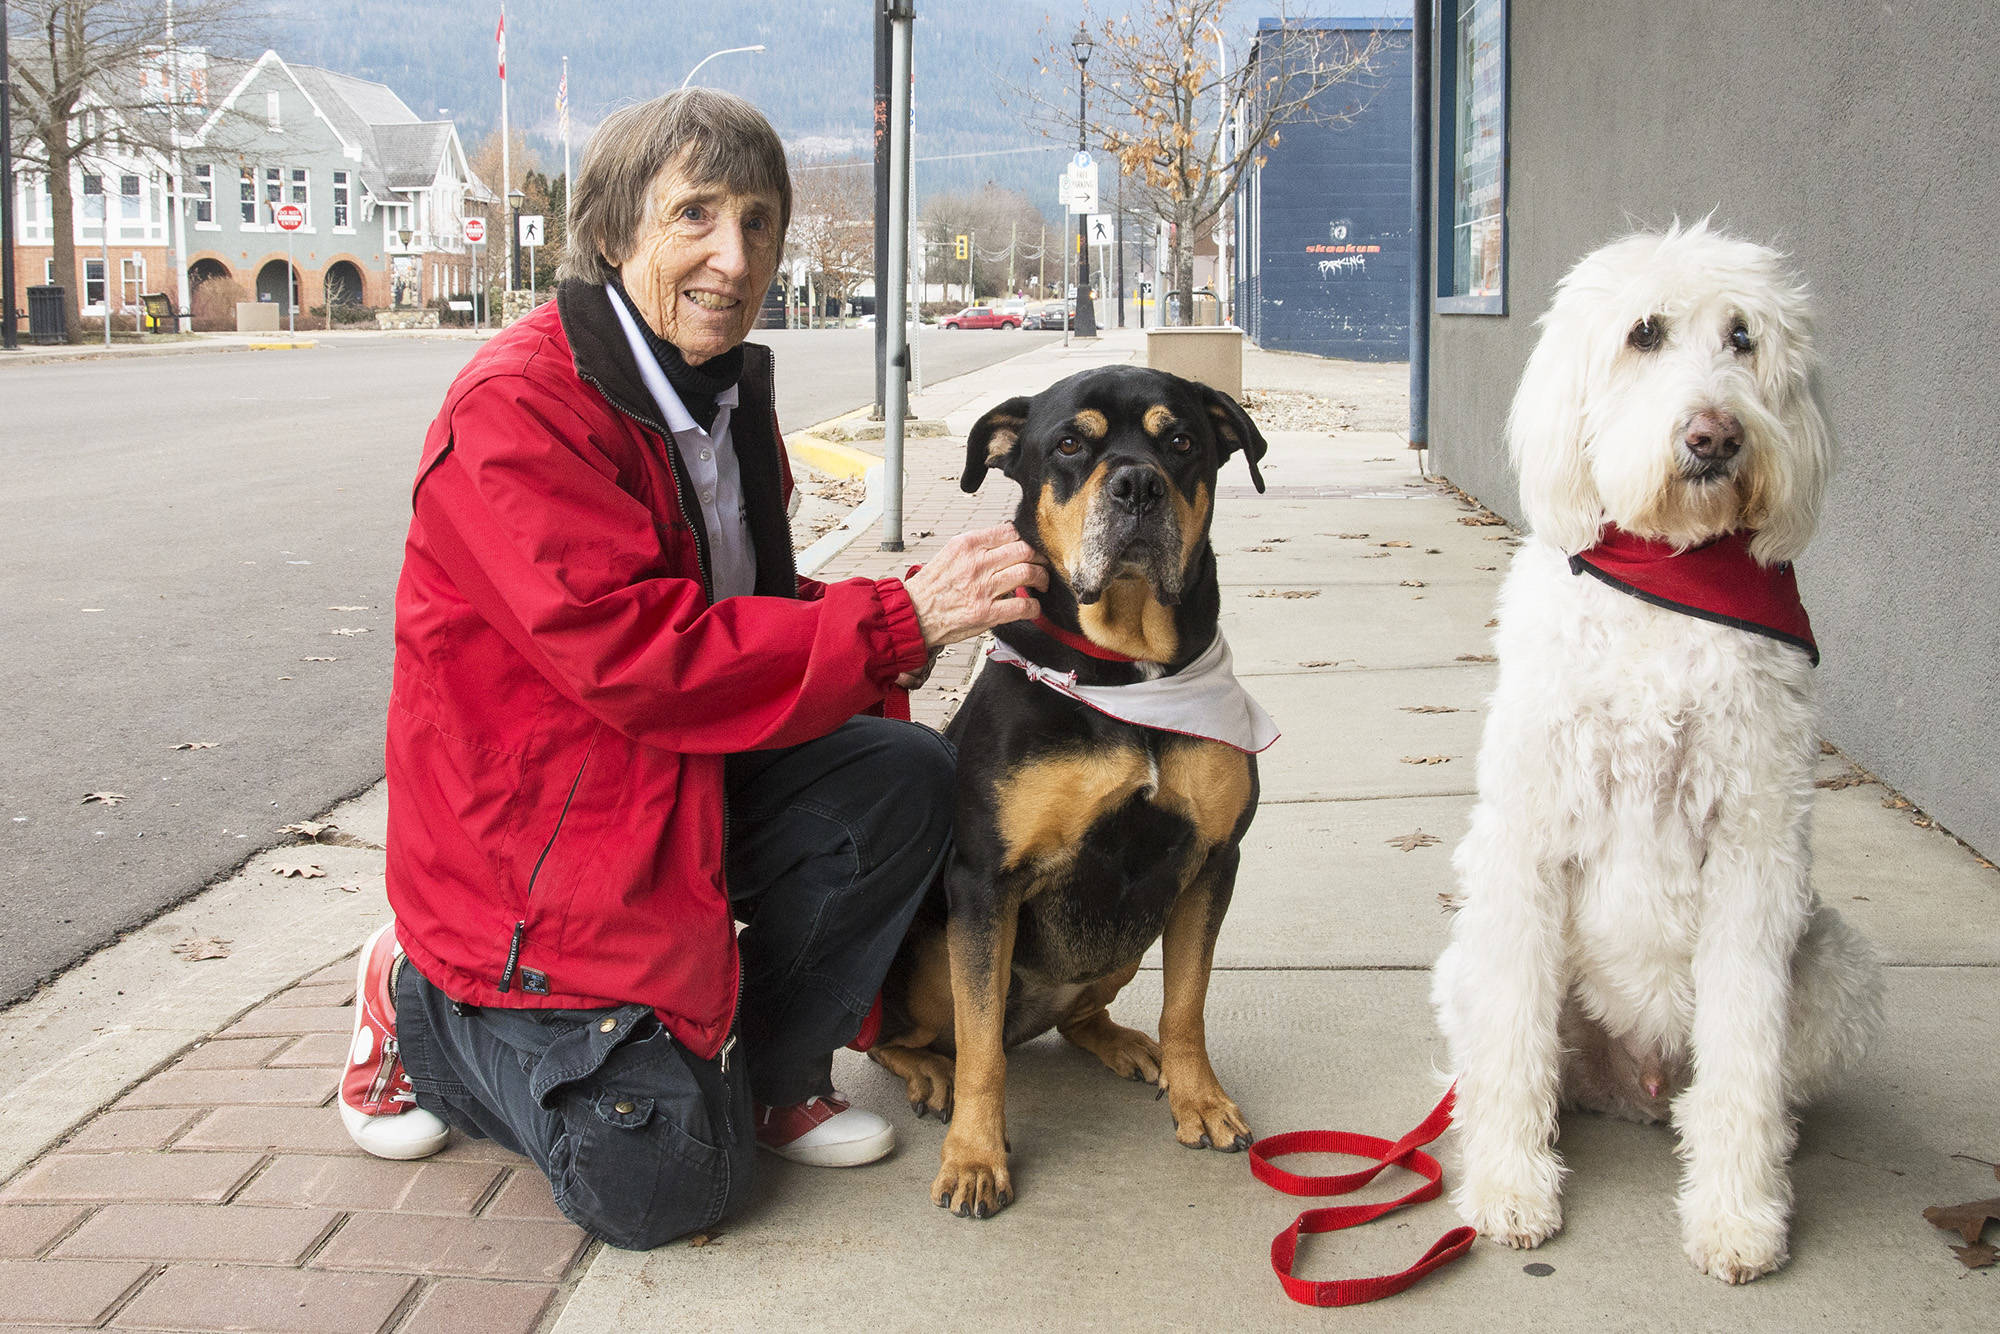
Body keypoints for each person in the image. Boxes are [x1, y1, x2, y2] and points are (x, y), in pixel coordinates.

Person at [336, 88, 1045, 1250]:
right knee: (663, 1185)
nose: (735, 255)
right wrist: (895, 619)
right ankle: (416, 1005)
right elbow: (640, 653)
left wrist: (905, 611)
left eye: (758, 221)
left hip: (673, 785)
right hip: (541, 850)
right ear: (614, 233)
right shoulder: (519, 410)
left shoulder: (717, 401)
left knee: (902, 777)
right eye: (696, 215)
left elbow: (742, 619)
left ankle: (769, 1069)